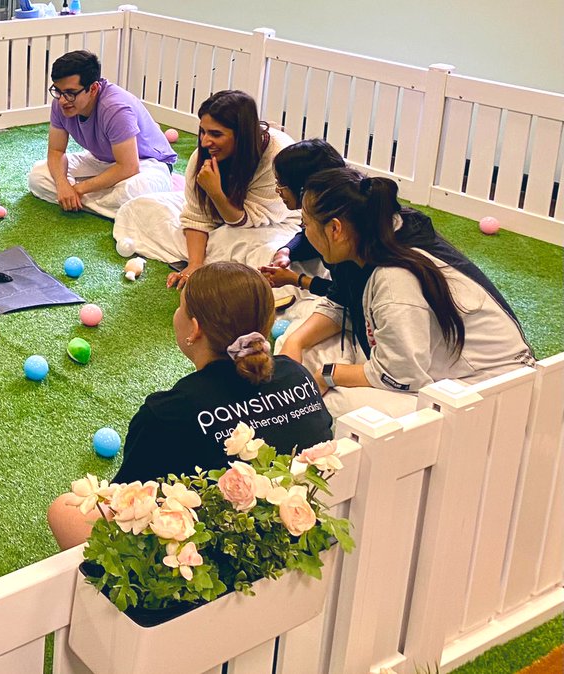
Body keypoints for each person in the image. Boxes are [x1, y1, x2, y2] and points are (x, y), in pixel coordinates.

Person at [46, 262, 333, 549]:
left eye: (181, 307)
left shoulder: (166, 413)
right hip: (299, 530)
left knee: (65, 510)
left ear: (194, 329)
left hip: (208, 560)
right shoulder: (298, 374)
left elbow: (128, 499)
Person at [280, 168, 534, 418]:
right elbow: (339, 304)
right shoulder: (370, 237)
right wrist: (296, 343)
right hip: (427, 364)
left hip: (484, 391)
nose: (305, 230)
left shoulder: (394, 280)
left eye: (306, 223)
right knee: (295, 350)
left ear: (335, 229)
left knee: (337, 405)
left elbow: (400, 375)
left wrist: (330, 374)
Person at [111, 90, 296, 283]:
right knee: (138, 208)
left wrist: (215, 192)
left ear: (242, 135)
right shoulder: (201, 156)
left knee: (262, 253)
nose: (205, 141)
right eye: (203, 131)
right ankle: (212, 256)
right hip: (223, 220)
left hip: (270, 224)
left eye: (216, 134)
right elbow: (196, 216)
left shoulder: (277, 153)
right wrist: (195, 264)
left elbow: (245, 221)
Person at [27, 50, 177, 219]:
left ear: (93, 88)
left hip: (146, 164)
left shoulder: (115, 108)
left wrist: (78, 189)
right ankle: (106, 204)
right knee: (38, 175)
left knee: (134, 191)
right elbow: (56, 151)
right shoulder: (61, 104)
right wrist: (63, 185)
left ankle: (81, 200)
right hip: (102, 160)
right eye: (58, 91)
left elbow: (129, 167)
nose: (62, 100)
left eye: (70, 93)